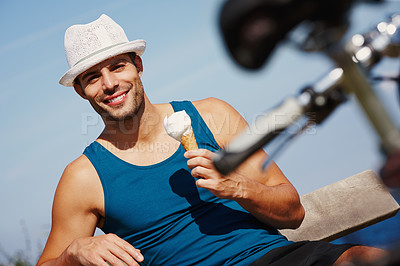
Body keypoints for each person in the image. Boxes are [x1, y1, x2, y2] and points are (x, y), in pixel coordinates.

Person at [37, 14, 387, 266]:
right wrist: (72, 255)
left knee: (364, 258)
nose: (109, 83)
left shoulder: (212, 116)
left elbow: (293, 213)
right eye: (93, 77)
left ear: (138, 66)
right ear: (82, 92)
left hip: (274, 259)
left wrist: (235, 187)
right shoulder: (83, 178)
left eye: (117, 67)